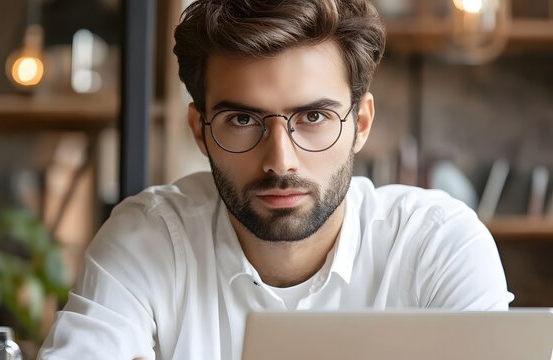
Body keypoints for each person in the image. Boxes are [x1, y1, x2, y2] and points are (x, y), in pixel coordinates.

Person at [38, 0, 513, 359]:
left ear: (361, 124)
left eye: (312, 116)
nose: (280, 161)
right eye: (243, 120)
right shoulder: (150, 237)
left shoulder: (438, 245)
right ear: (200, 131)